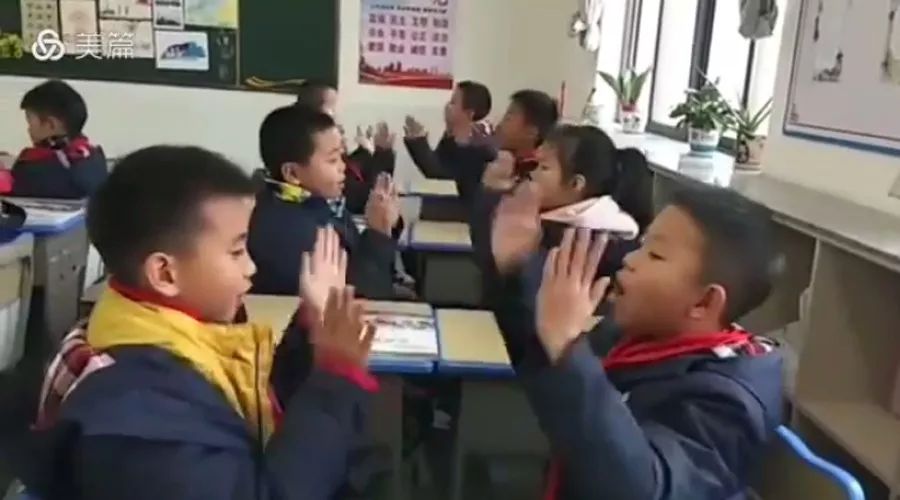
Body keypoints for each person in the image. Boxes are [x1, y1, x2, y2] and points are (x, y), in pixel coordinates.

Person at [22, 145, 381, 500]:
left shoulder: (166, 336)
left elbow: (252, 404)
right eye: (236, 251)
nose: (251, 267)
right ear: (165, 273)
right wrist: (335, 382)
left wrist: (311, 332)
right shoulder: (137, 417)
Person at [490, 185, 784, 500]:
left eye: (655, 254)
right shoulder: (635, 335)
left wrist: (569, 349)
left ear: (704, 302)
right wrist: (516, 270)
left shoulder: (727, 403)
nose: (630, 259)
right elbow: (548, 371)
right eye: (642, 245)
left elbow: (643, 489)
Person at [471, 125, 654, 317]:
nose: (532, 174)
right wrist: (491, 190)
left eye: (544, 167)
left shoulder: (592, 241)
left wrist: (518, 263)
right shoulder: (544, 219)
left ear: (575, 184)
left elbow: (530, 314)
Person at [248, 105, 400, 298]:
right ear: (292, 173)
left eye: (342, 157)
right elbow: (357, 302)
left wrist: (382, 226)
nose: (343, 167)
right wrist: (378, 234)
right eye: (333, 160)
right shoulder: (290, 231)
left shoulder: (316, 202)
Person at [294, 80, 397, 215]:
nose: (336, 115)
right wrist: (381, 155)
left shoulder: (317, 140)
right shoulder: (308, 143)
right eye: (332, 108)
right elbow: (355, 196)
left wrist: (367, 152)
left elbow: (350, 171)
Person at [9, 79, 107, 199]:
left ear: (51, 124)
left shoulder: (32, 171)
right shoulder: (95, 158)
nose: (29, 130)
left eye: (30, 123)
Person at [402, 80, 493, 180]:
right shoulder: (450, 140)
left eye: (453, 102)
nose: (447, 106)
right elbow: (436, 164)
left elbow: (437, 173)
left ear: (469, 114)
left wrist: (418, 141)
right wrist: (417, 140)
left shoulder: (476, 150)